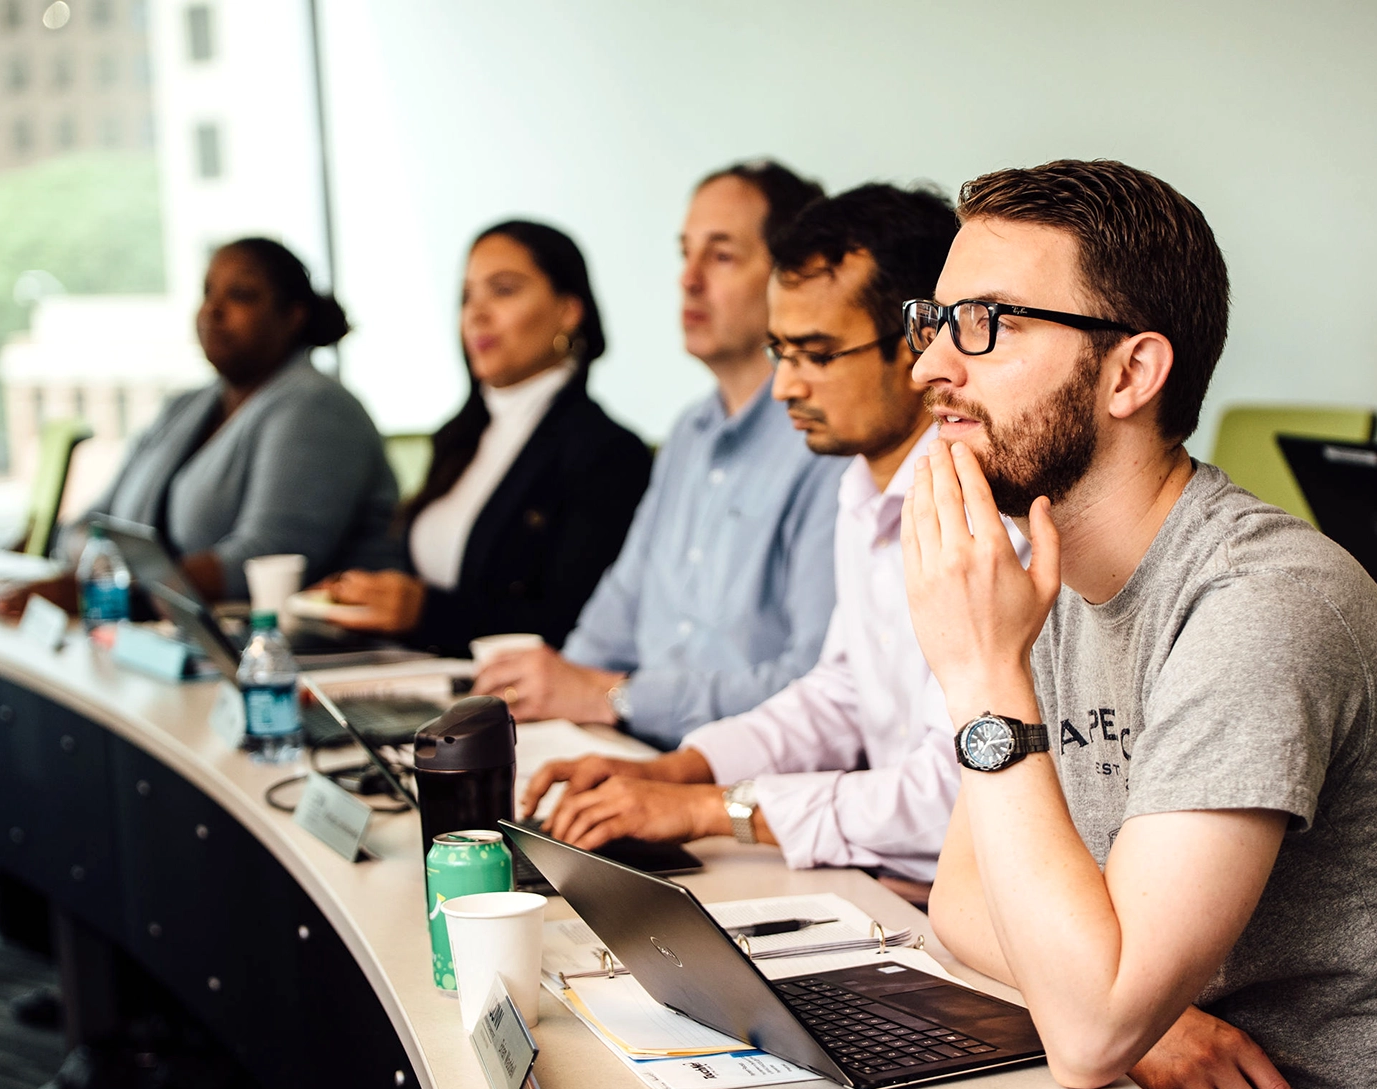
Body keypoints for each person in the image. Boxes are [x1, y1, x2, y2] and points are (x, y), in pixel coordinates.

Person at [901, 160, 1377, 1089]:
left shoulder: (1259, 605)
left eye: (986, 324)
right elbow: (961, 904)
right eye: (934, 321)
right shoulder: (1054, 585)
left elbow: (1087, 1034)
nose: (932, 365)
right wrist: (1152, 1027)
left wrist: (981, 678)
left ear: (1130, 374)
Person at [524, 184, 1025, 894]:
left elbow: (955, 790)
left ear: (919, 345)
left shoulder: (991, 518)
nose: (785, 387)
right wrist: (673, 772)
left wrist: (708, 810)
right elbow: (837, 696)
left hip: (964, 897)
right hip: (894, 876)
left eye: (815, 354)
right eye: (779, 350)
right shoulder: (863, 489)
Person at [472, 161, 844, 748]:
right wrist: (549, 693)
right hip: (633, 746)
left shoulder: (828, 441)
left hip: (742, 772)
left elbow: (817, 685)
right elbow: (621, 603)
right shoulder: (689, 434)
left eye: (721, 256)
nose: (688, 280)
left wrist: (614, 697)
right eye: (685, 254)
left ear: (793, 277)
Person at [0, 237, 399, 615]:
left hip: (303, 649)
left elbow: (266, 556)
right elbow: (95, 523)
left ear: (293, 316)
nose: (212, 310)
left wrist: (105, 589)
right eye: (208, 292)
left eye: (240, 295)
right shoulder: (186, 406)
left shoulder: (316, 406)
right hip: (164, 634)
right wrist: (79, 558)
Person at [317, 221, 652, 655]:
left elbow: (575, 623)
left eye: (503, 290)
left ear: (569, 311)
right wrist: (365, 592)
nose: (476, 313)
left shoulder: (606, 453)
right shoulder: (458, 436)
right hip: (419, 675)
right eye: (467, 296)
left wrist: (424, 612)